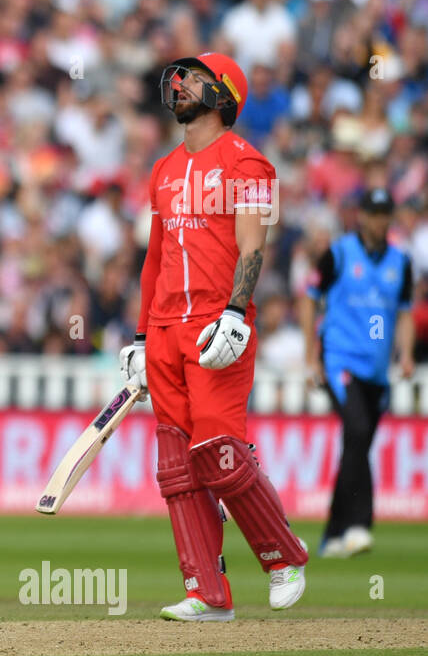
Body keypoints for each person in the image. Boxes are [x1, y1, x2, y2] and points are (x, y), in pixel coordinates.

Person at [119, 51, 309, 622]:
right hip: (163, 328)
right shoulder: (162, 170)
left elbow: (254, 246)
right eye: (178, 75)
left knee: (219, 453)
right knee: (176, 465)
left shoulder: (251, 165)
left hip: (215, 325)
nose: (178, 83)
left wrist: (234, 312)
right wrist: (138, 336)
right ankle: (207, 590)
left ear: (223, 95)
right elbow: (154, 258)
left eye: (193, 77)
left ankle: (283, 557)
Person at [299, 187, 415, 558]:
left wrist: (407, 355)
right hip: (340, 360)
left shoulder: (401, 262)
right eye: (374, 213)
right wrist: (310, 356)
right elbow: (308, 296)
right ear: (362, 215)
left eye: (385, 214)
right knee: (359, 431)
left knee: (358, 443)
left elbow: (405, 312)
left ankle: (332, 534)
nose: (380, 221)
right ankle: (358, 525)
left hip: (377, 371)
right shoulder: (339, 254)